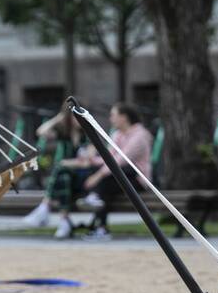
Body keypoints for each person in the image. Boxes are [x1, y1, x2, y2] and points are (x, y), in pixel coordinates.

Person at [20, 107, 99, 239]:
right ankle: (63, 220)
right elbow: (41, 132)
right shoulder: (64, 134)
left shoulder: (89, 136)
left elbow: (87, 162)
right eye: (73, 116)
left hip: (83, 178)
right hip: (67, 178)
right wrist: (59, 116)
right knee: (64, 177)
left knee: (61, 169)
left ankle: (45, 208)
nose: (77, 120)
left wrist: (67, 163)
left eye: (79, 116)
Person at [79, 102, 153, 242]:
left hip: (136, 179)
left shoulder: (140, 135)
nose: (110, 118)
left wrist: (97, 176)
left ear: (124, 117)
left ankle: (97, 211)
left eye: (113, 115)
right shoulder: (117, 134)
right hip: (116, 178)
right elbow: (109, 156)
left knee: (106, 179)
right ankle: (100, 225)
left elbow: (120, 160)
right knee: (104, 185)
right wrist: (90, 159)